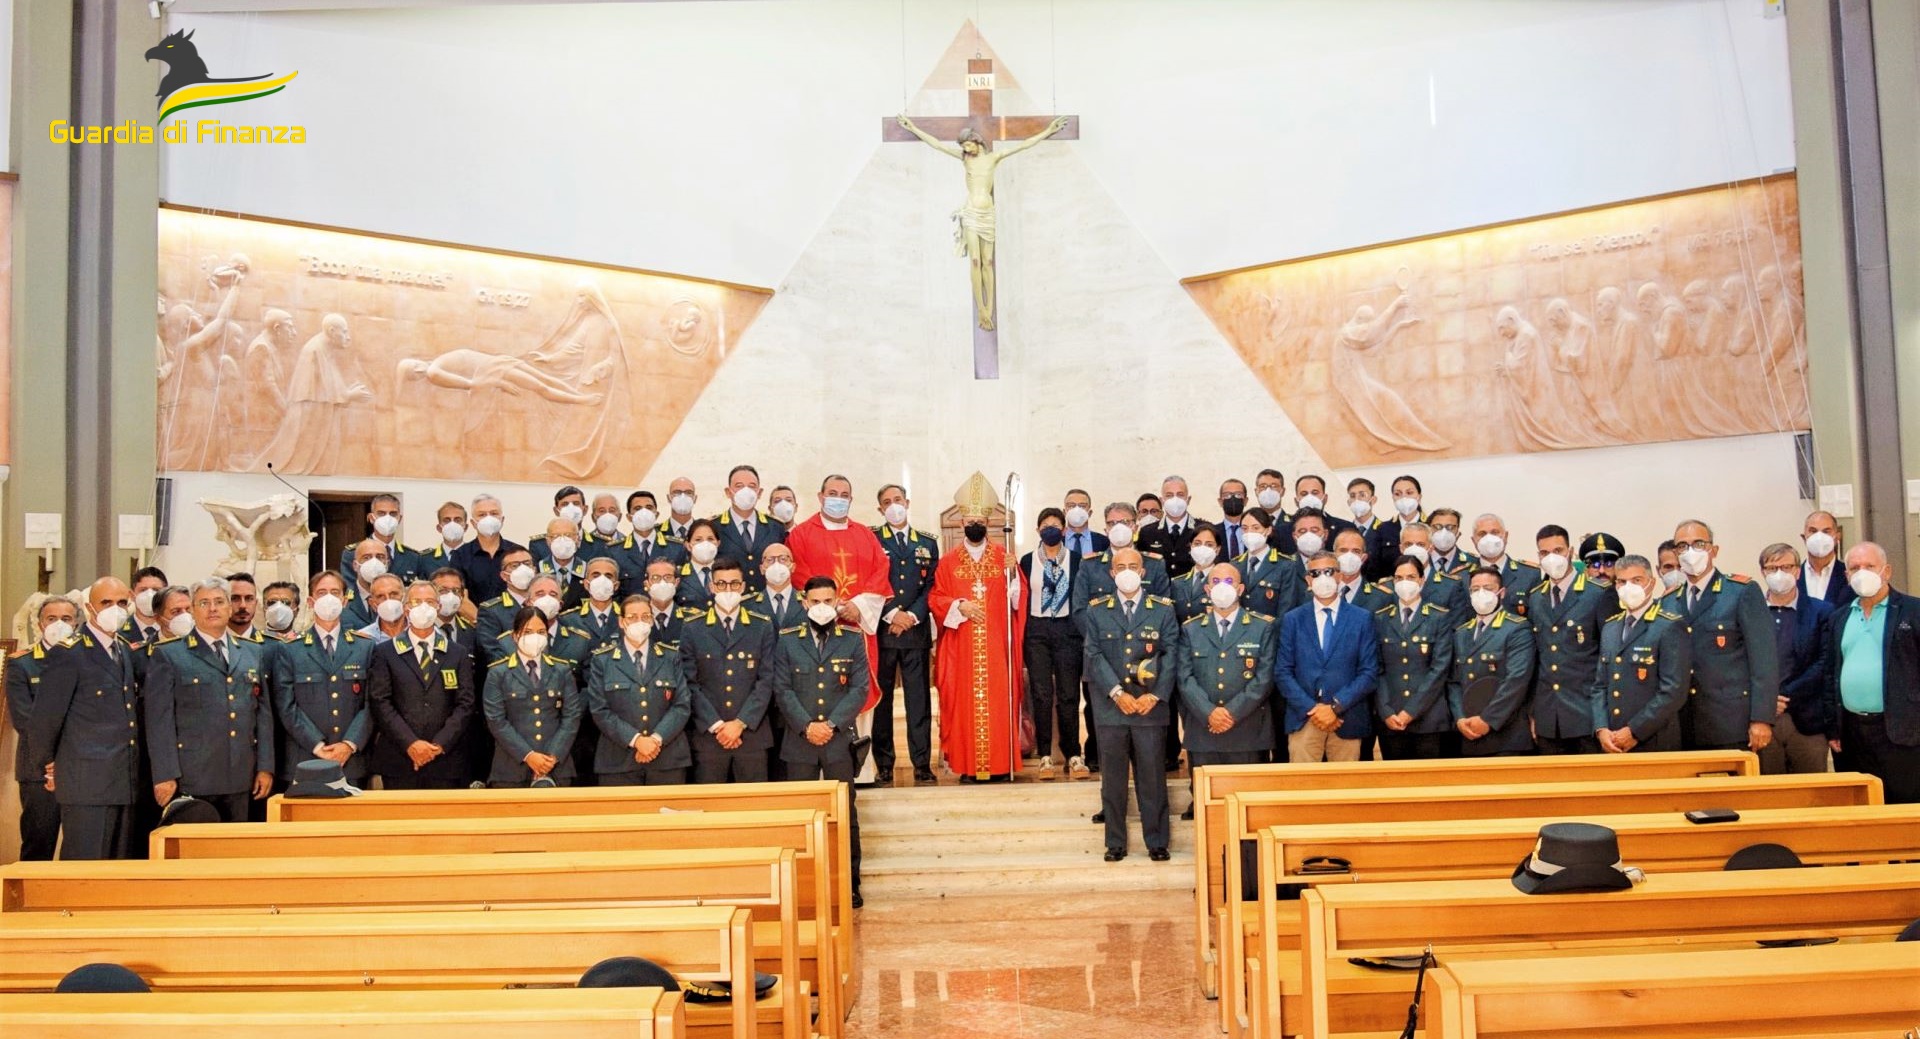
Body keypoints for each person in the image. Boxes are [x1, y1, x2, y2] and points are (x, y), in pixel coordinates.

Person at [785, 474, 894, 780]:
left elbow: (879, 571)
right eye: (832, 493)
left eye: (844, 494)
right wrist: (830, 606)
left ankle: (861, 772)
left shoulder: (865, 535)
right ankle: (819, 769)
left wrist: (856, 605)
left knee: (855, 691)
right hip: (816, 631)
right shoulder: (801, 534)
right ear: (820, 497)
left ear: (851, 499)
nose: (838, 498)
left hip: (856, 628)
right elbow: (799, 575)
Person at [25, 578, 140, 859]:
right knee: (85, 864)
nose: (116, 609)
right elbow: (45, 720)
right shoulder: (69, 653)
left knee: (117, 867)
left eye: (122, 603)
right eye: (106, 603)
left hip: (122, 779)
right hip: (85, 783)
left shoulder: (123, 649)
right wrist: (49, 768)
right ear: (89, 608)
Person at [143, 578, 274, 823]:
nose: (212, 608)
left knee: (236, 849)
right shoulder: (170, 654)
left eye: (219, 602)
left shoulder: (251, 652)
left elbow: (262, 715)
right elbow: (159, 722)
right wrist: (165, 774)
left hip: (240, 773)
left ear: (229, 607)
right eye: (204, 603)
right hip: (192, 775)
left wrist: (265, 767)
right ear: (192, 609)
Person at [770, 576, 869, 902]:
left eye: (829, 601)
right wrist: (806, 725)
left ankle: (849, 884)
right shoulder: (786, 640)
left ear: (837, 601)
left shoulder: (852, 639)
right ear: (804, 603)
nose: (822, 608)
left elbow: (859, 690)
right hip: (799, 743)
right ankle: (804, 886)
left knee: (845, 815)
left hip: (838, 742)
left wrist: (832, 724)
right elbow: (782, 689)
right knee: (801, 815)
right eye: (816, 602)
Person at [927, 475, 1028, 781]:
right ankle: (969, 766)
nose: (974, 524)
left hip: (997, 647)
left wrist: (1014, 577)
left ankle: (999, 766)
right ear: (960, 524)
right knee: (964, 706)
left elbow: (1017, 601)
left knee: (998, 705)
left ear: (987, 523)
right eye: (969, 519)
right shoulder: (947, 563)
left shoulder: (1003, 556)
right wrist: (959, 605)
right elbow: (936, 597)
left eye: (979, 519)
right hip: (962, 648)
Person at [1079, 548, 1176, 861]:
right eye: (1120, 566)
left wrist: (1155, 694)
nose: (1127, 571)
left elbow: (1172, 654)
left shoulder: (1163, 610)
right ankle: (1115, 842)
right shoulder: (1096, 611)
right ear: (1111, 573)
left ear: (1144, 571)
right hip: (1111, 709)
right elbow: (1093, 655)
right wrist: (1117, 693)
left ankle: (1157, 841)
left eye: (1133, 565)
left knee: (1152, 777)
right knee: (1113, 780)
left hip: (1150, 708)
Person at [1670, 519, 1779, 752]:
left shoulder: (1740, 592)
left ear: (1714, 550)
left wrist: (1761, 718)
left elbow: (1764, 661)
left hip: (1730, 723)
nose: (1690, 552)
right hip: (1683, 724)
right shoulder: (1669, 601)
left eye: (1698, 544)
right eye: (1682, 546)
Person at [1178, 563, 1275, 819]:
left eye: (1229, 582)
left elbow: (1264, 679)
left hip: (1247, 731)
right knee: (1207, 809)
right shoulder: (1191, 628)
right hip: (1204, 730)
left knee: (1251, 811)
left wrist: (1231, 712)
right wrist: (1210, 712)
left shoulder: (1262, 627)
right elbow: (1184, 678)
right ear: (1207, 588)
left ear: (1241, 588)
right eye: (1216, 581)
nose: (1223, 587)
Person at [1822, 542, 1918, 803]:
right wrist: (1834, 728)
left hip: (1901, 732)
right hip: (1852, 733)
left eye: (1869, 566)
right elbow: (1830, 674)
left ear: (1886, 572)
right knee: (1861, 805)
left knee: (1903, 804)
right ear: (1847, 576)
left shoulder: (1913, 611)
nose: (1861, 572)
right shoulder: (1839, 618)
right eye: (1855, 567)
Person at [271, 570, 376, 791]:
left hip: (351, 762)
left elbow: (371, 704)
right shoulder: (290, 649)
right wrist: (318, 747)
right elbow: (286, 706)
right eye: (322, 593)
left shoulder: (365, 646)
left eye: (335, 592)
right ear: (310, 601)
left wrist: (348, 745)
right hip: (305, 758)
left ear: (345, 601)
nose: (328, 598)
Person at [1275, 550, 1381, 763]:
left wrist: (1335, 707)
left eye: (1329, 571)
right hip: (1304, 719)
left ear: (1340, 576)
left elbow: (1369, 672)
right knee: (1303, 789)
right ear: (1308, 580)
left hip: (1346, 719)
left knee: (1345, 790)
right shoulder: (1292, 619)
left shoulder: (1361, 619)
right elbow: (1283, 672)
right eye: (1316, 573)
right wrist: (1313, 709)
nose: (1323, 578)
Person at [679, 557, 777, 783]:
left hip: (752, 735)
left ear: (743, 587)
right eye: (721, 584)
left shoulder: (761, 626)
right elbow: (689, 683)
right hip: (709, 736)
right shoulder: (693, 627)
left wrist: (740, 722)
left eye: (734, 584)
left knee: (753, 809)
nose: (728, 589)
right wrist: (717, 725)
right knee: (710, 810)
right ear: (712, 587)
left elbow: (766, 680)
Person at [367, 584, 475, 790]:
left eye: (430, 602)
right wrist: (411, 744)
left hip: (446, 759)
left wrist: (439, 745)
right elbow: (381, 702)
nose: (423, 607)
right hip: (400, 758)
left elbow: (465, 704)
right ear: (406, 608)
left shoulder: (457, 653)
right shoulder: (386, 652)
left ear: (439, 607)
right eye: (417, 602)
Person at [587, 595, 694, 786]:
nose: (640, 622)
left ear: (652, 620)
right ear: (621, 621)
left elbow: (681, 704)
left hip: (667, 758)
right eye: (632, 617)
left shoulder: (670, 656)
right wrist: (636, 740)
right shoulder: (603, 660)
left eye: (645, 616)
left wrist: (655, 739)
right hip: (618, 760)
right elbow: (600, 709)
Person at [871, 483, 938, 785]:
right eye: (887, 502)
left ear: (907, 502)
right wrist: (891, 613)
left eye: (898, 500)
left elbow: (932, 586)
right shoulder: (872, 539)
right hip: (883, 631)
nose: (893, 505)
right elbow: (870, 581)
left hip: (915, 632)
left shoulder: (927, 542)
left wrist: (911, 615)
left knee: (919, 700)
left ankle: (922, 763)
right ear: (880, 509)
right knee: (882, 702)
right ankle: (884, 763)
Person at [1591, 555, 1690, 752]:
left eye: (1636, 581)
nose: (1628, 587)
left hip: (1654, 740)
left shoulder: (1668, 625)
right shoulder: (1611, 627)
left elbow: (1673, 691)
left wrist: (1634, 731)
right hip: (1612, 741)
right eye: (1621, 582)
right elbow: (1600, 686)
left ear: (1651, 583)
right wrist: (1601, 729)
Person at [1527, 525, 1610, 755]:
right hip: (1548, 718)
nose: (1552, 557)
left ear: (1571, 552)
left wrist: (1605, 717)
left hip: (1587, 715)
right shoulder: (1536, 598)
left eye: (1558, 550)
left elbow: (1608, 658)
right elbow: (1537, 660)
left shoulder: (1598, 593)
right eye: (1544, 553)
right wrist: (1533, 711)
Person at [8, 595, 79, 859]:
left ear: (76, 623)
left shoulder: (86, 659)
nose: (59, 624)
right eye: (52, 619)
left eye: (66, 619)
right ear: (40, 623)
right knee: (39, 843)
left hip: (80, 767)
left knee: (80, 846)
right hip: (39, 769)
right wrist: (52, 760)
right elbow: (24, 720)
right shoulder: (22, 663)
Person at [482, 605, 584, 787]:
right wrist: (528, 755)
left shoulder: (561, 670)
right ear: (515, 636)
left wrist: (552, 755)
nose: (535, 637)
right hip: (511, 768)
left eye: (541, 631)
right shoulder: (498, 673)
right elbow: (496, 721)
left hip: (557, 766)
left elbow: (571, 716)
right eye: (527, 631)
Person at [1021, 508, 1087, 781]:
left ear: (1064, 530)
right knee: (1041, 694)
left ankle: (1073, 753)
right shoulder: (1026, 561)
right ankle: (1045, 754)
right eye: (1045, 525)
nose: (1050, 529)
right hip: (1037, 630)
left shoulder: (1077, 560)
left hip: (1067, 630)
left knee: (1069, 694)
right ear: (1038, 530)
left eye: (1056, 525)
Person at [1757, 542, 1834, 774]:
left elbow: (1824, 661)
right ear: (1762, 572)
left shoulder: (1822, 612)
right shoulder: (1751, 612)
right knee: (1767, 794)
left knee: (1812, 797)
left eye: (1786, 567)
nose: (1779, 573)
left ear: (1798, 571)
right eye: (1772, 568)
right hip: (1763, 719)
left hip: (1807, 720)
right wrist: (1766, 699)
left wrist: (1785, 696)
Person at [1373, 555, 1457, 760]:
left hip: (1429, 719)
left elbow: (1439, 669)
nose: (1404, 582)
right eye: (1399, 578)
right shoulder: (1381, 618)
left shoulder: (1439, 617)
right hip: (1391, 719)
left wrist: (1410, 712)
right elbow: (1377, 669)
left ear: (1421, 580)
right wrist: (1386, 711)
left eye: (1411, 577)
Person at [1449, 568, 1537, 757]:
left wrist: (1487, 720)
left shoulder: (1517, 628)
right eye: (1475, 589)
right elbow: (1454, 682)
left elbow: (1516, 681)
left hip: (1507, 736)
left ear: (1501, 593)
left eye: (1488, 588)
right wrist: (1460, 719)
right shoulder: (1462, 633)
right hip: (1469, 733)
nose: (1481, 594)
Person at [715, 464, 787, 591]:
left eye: (752, 486)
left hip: (765, 603)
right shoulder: (714, 527)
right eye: (739, 486)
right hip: (730, 602)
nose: (746, 491)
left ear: (759, 493)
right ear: (728, 492)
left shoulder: (775, 527)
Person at [451, 493, 524, 603]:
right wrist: (483, 620)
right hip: (475, 619)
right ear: (473, 523)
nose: (488, 518)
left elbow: (526, 592)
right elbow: (460, 598)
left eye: (494, 513)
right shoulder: (460, 556)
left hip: (513, 618)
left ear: (502, 520)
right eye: (482, 515)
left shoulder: (518, 552)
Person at [1137, 475, 1211, 578]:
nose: (1175, 499)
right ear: (1162, 500)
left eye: (1180, 495)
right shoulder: (1147, 532)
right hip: (1159, 592)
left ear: (1188, 499)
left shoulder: (1204, 530)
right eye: (1169, 495)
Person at [1235, 508, 1302, 620]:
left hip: (1271, 634)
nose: (1249, 533)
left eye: (1256, 528)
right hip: (1240, 634)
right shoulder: (1235, 565)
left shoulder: (1285, 565)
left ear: (1268, 530)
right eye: (1245, 528)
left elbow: (1286, 610)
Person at [1468, 513, 1542, 613]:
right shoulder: (1462, 576)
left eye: (1495, 532)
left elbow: (1537, 616)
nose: (1489, 538)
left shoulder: (1530, 574)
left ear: (1506, 536)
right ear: (1473, 540)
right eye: (1482, 534)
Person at [337, 493, 418, 581]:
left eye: (393, 514)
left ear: (399, 519)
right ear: (371, 518)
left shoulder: (412, 556)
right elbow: (351, 588)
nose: (388, 518)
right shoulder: (352, 553)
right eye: (381, 513)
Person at [476, 546, 538, 651]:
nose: (523, 569)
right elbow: (491, 649)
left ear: (535, 570)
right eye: (515, 566)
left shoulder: (544, 603)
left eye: (527, 564)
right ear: (504, 576)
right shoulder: (491, 611)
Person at [1399, 521, 1467, 613]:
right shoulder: (1389, 586)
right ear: (1401, 548)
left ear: (1431, 548)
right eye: (1408, 544)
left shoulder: (1450, 586)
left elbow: (1457, 622)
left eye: (1420, 545)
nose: (1414, 548)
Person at [1798, 510, 1854, 609]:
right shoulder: (1793, 577)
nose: (1819, 537)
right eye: (1813, 531)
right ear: (1804, 537)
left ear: (1837, 537)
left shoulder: (1851, 575)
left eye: (1826, 531)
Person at [1173, 526, 1226, 623]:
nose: (1202, 548)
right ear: (1191, 547)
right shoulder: (1177, 583)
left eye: (1209, 545)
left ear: (1217, 550)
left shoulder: (1224, 582)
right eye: (1197, 544)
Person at [528, 485, 589, 567]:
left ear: (585, 509)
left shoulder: (599, 544)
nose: (571, 508)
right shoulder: (538, 545)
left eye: (576, 503)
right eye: (565, 504)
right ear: (556, 511)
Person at [340, 538, 394, 629]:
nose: (374, 563)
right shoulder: (343, 600)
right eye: (366, 557)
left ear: (387, 564)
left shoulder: (397, 599)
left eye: (380, 557)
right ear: (355, 565)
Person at [536, 517, 588, 605]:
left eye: (568, 535)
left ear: (578, 539)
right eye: (556, 536)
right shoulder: (537, 571)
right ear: (548, 541)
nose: (562, 540)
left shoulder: (588, 571)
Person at [675, 518, 723, 611]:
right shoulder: (678, 576)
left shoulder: (727, 572)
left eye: (710, 539)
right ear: (688, 545)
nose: (705, 544)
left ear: (718, 543)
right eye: (698, 539)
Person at [354, 572, 407, 644]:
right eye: (380, 596)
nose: (388, 600)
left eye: (394, 594)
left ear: (405, 597)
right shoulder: (362, 638)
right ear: (372, 604)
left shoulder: (420, 631)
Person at [122, 566, 169, 646]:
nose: (149, 595)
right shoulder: (119, 632)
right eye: (143, 590)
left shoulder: (174, 631)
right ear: (132, 595)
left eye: (156, 590)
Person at [1060, 488, 1108, 557]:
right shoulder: (1055, 540)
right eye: (1071, 506)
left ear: (1090, 513)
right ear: (1064, 512)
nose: (1077, 510)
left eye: (1082, 506)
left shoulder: (1103, 541)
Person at [1426, 508, 1471, 577]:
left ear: (1458, 533)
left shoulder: (1472, 562)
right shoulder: (1420, 560)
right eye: (1437, 527)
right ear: (1428, 531)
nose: (1444, 532)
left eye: (1450, 527)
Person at [1214, 478, 1250, 560]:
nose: (1233, 498)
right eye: (1227, 495)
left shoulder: (1255, 531)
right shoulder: (1213, 532)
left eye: (1238, 494)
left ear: (1245, 500)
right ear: (1220, 501)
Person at [225, 573, 261, 642]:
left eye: (249, 598)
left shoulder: (272, 647)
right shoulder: (210, 644)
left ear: (256, 603)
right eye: (235, 598)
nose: (243, 605)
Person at [663, 476, 700, 541]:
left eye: (688, 492)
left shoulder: (705, 531)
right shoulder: (656, 532)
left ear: (695, 499)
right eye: (677, 492)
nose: (683, 497)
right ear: (668, 498)